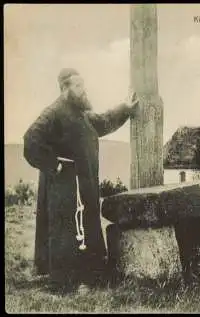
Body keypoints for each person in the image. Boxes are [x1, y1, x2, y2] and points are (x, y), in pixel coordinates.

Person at [23, 68, 138, 294]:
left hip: (83, 183)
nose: (83, 89)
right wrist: (54, 165)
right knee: (67, 230)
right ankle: (65, 283)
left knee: (86, 226)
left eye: (83, 84)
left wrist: (125, 108)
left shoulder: (82, 113)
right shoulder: (53, 113)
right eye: (77, 86)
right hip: (64, 186)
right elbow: (30, 141)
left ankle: (90, 278)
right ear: (64, 89)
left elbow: (104, 121)